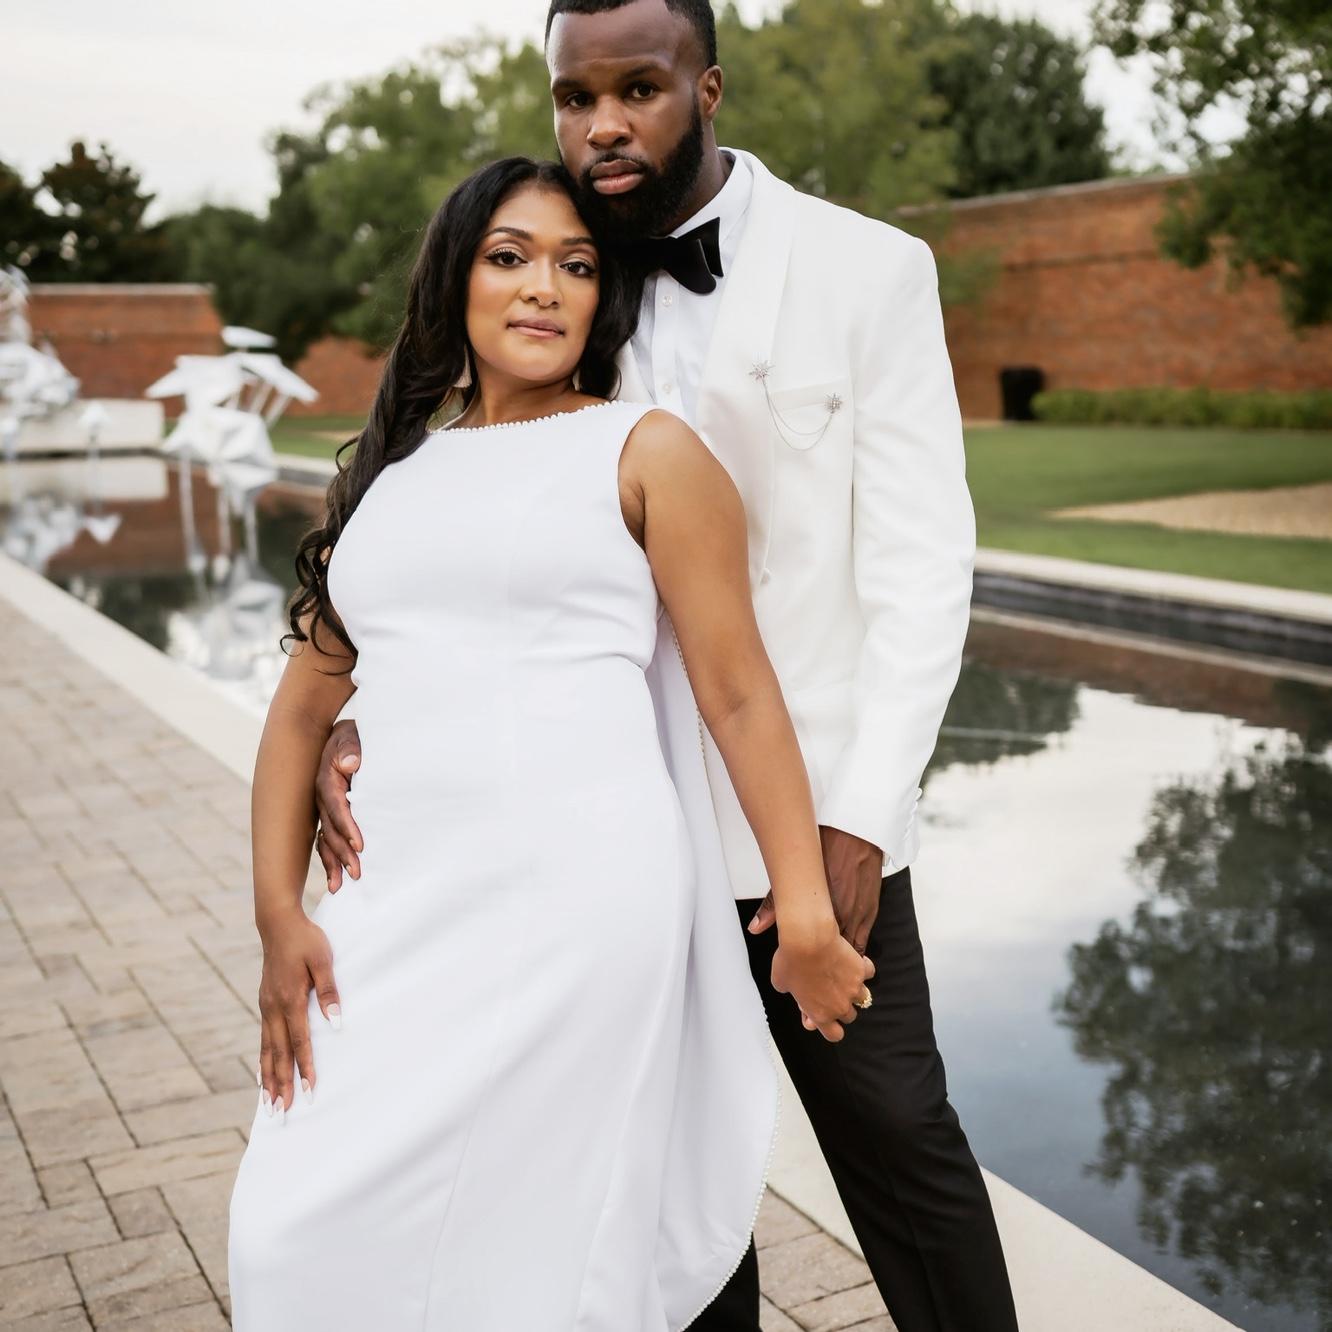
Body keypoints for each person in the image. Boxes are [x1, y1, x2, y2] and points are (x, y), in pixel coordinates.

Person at [312, 1, 1020, 1329]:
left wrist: (864, 817)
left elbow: (921, 575)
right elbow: (462, 528)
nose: (603, 125)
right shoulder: (557, 271)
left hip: (811, 827)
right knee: (657, 1189)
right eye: (575, 97)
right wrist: (356, 716)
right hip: (606, 840)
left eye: (637, 89)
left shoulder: (868, 270)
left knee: (901, 1144)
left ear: (710, 88)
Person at [226, 157, 873, 1330]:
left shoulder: (647, 451)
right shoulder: (393, 477)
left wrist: (806, 914)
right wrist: (279, 915)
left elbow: (739, 697)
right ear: (454, 281)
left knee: (539, 1230)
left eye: (576, 265)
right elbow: (299, 713)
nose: (544, 287)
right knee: (290, 1223)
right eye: (509, 257)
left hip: (579, 899)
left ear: (602, 297)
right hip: (399, 904)